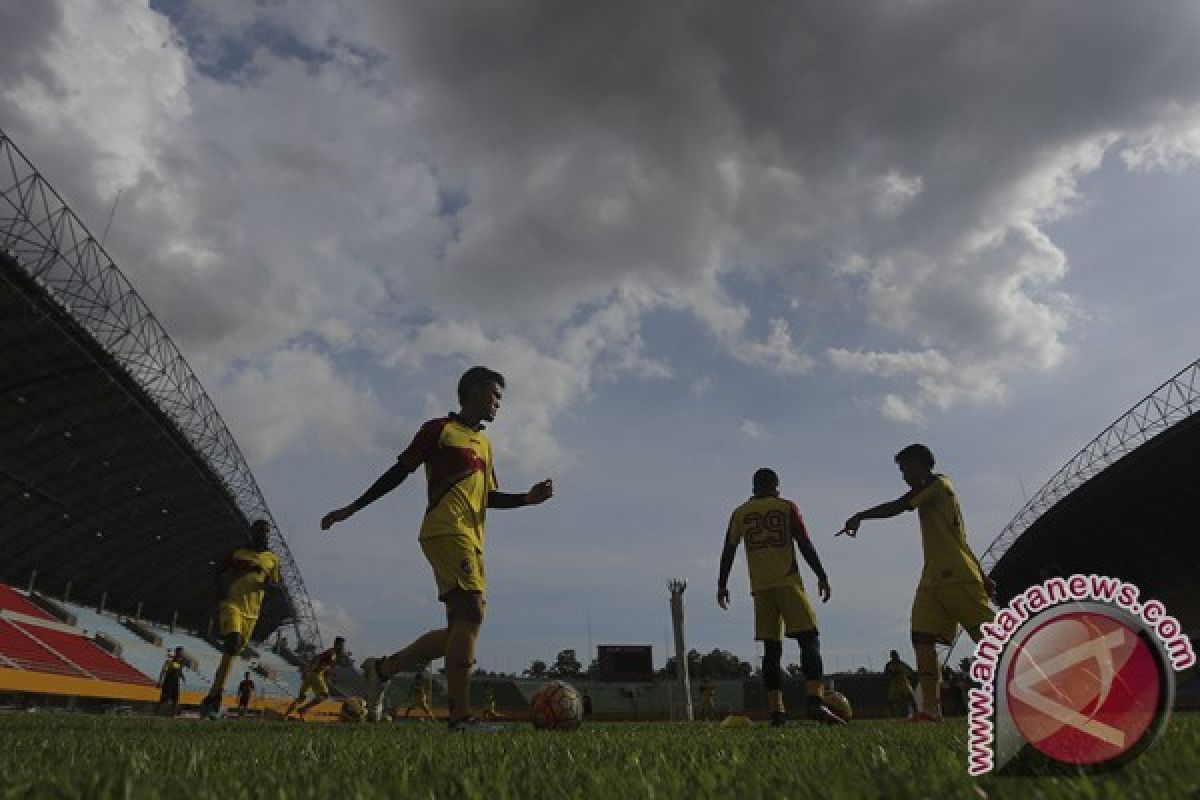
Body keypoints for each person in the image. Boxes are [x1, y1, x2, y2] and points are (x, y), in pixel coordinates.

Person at [321, 366, 554, 730]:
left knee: (459, 630)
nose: (498, 404)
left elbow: (488, 496)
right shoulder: (439, 430)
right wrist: (352, 507)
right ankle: (460, 719)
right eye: (494, 396)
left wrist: (527, 498)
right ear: (473, 391)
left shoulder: (486, 444)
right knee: (472, 615)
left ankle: (382, 670)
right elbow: (398, 472)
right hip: (446, 531)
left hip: (472, 539)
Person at [839, 444, 996, 722]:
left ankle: (1050, 690)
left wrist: (861, 515)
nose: (903, 475)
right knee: (921, 637)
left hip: (956, 576)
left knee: (992, 639)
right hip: (933, 578)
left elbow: (899, 506)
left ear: (923, 463)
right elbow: (961, 541)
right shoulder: (932, 493)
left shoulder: (938, 484)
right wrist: (984, 575)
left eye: (906, 467)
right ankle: (931, 710)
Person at [718, 468, 844, 726]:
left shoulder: (740, 513)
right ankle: (814, 701)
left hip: (761, 587)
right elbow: (804, 543)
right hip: (788, 582)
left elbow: (728, 549)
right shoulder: (787, 507)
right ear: (776, 485)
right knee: (809, 638)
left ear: (753, 487)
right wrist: (822, 574)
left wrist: (722, 584)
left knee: (771, 649)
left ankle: (777, 712)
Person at [199, 519, 282, 719]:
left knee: (231, 655)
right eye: (260, 530)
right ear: (252, 532)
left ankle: (212, 698)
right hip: (232, 604)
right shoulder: (238, 553)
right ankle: (215, 699)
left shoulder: (273, 559)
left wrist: (270, 584)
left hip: (251, 614)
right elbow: (218, 570)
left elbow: (276, 586)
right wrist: (221, 589)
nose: (263, 534)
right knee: (233, 642)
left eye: (266, 532)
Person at [283, 636, 345, 720]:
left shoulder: (329, 652)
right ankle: (304, 709)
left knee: (301, 698)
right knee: (324, 695)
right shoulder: (332, 653)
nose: (343, 648)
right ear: (338, 645)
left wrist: (308, 670)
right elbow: (321, 663)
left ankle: (286, 716)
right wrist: (329, 674)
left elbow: (317, 659)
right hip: (316, 675)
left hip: (310, 675)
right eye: (342, 645)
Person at [883, 649, 917, 718]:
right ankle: (893, 715)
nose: (895, 657)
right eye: (893, 655)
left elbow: (910, 672)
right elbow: (886, 675)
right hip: (894, 684)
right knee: (891, 701)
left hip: (904, 683)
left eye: (896, 655)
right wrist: (892, 674)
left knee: (910, 699)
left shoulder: (902, 664)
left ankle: (915, 713)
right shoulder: (889, 665)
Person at [157, 646, 187, 716]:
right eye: (181, 652)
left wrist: (182, 676)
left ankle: (172, 714)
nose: (182, 654)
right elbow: (163, 671)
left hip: (175, 683)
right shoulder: (170, 661)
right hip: (168, 682)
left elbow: (179, 671)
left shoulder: (180, 662)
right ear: (177, 652)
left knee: (175, 699)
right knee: (164, 699)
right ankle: (158, 712)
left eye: (183, 652)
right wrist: (160, 681)